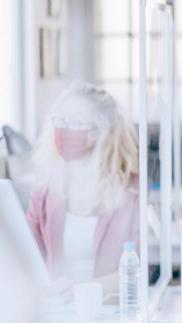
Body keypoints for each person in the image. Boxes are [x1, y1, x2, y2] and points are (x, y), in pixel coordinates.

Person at [26, 81, 139, 296]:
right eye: (60, 120)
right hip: (58, 314)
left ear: (100, 132)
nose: (63, 130)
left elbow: (138, 269)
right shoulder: (44, 193)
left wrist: (85, 290)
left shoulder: (131, 191)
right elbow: (29, 261)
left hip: (110, 314)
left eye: (76, 123)